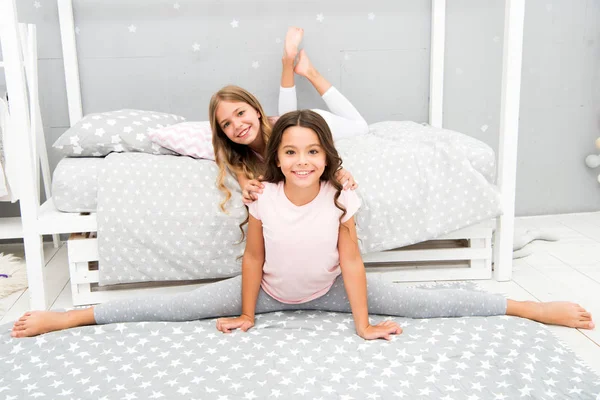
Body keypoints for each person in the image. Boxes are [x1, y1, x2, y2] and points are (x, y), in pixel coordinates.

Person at [11, 110, 594, 340]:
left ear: (327, 156)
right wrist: (245, 310)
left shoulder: (342, 200)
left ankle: (528, 308)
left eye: (312, 152)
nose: (301, 162)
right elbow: (252, 259)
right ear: (277, 158)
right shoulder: (261, 197)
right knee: (176, 304)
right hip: (265, 294)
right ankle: (73, 315)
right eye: (291, 153)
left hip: (333, 290)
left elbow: (354, 262)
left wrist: (363, 323)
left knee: (426, 301)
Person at [209, 27, 368, 210]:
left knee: (361, 127)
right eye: (226, 124)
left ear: (257, 111)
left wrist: (338, 171)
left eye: (241, 113)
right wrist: (247, 187)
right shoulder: (234, 155)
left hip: (314, 123)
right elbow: (242, 176)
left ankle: (304, 69)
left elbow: (317, 155)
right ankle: (291, 63)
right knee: (286, 124)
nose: (237, 125)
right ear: (222, 132)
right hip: (291, 121)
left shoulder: (278, 127)